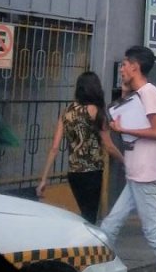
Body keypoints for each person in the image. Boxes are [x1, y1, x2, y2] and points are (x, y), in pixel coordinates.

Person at [100, 46, 156, 272]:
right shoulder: (139, 94)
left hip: (144, 172)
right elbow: (132, 113)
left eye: (125, 64)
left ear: (135, 66)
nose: (122, 68)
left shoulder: (149, 92)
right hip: (136, 172)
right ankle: (102, 271)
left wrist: (123, 129)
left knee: (154, 232)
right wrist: (125, 91)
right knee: (110, 224)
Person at [37, 71, 123, 223]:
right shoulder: (96, 111)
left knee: (84, 213)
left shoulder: (66, 112)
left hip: (74, 173)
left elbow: (55, 147)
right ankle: (87, 243)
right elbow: (108, 146)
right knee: (90, 216)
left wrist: (44, 179)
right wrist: (125, 161)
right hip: (92, 172)